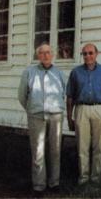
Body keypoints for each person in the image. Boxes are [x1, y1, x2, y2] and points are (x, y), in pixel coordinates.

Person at [66, 43, 101, 184]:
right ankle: (83, 177)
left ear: (96, 54)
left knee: (98, 146)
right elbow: (70, 96)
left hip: (99, 109)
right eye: (85, 54)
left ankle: (96, 178)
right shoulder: (76, 72)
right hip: (81, 109)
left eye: (90, 53)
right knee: (82, 146)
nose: (88, 56)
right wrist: (69, 117)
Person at [18, 43, 66, 193]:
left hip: (55, 115)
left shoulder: (59, 73)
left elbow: (63, 93)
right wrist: (32, 109)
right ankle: (39, 185)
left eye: (48, 53)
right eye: (42, 53)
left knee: (55, 149)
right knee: (38, 151)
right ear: (38, 56)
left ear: (52, 55)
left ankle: (54, 183)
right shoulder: (29, 72)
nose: (45, 55)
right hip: (36, 116)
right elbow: (22, 95)